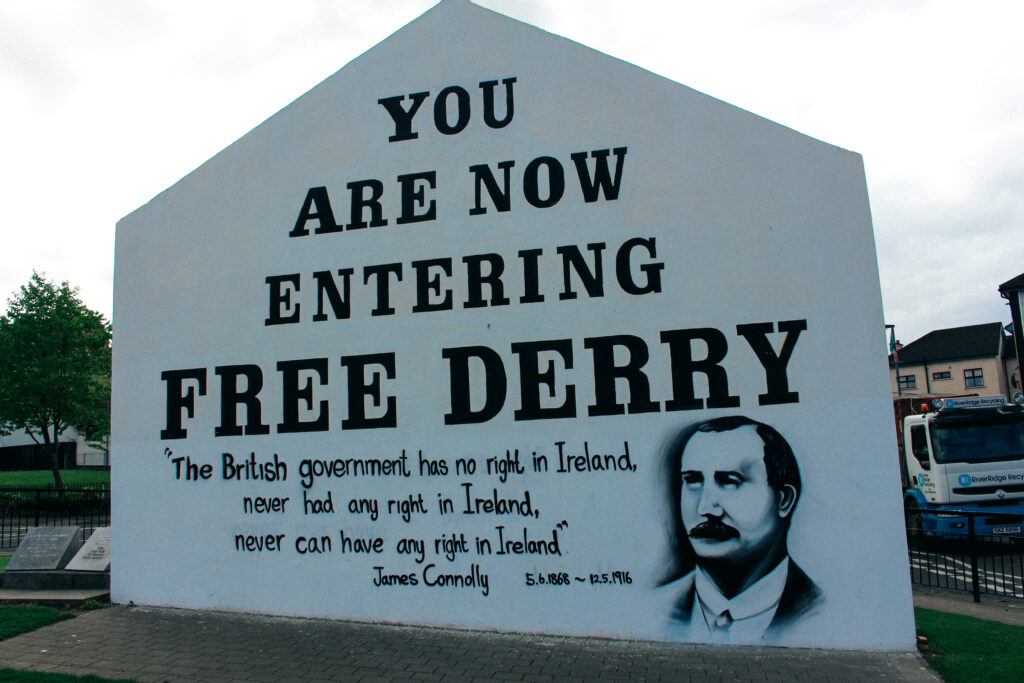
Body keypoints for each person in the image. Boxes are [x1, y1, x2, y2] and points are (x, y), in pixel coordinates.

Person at [659, 416, 821, 643]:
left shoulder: (824, 614)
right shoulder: (651, 610)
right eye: (693, 480)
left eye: (729, 481)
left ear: (784, 499)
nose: (705, 508)